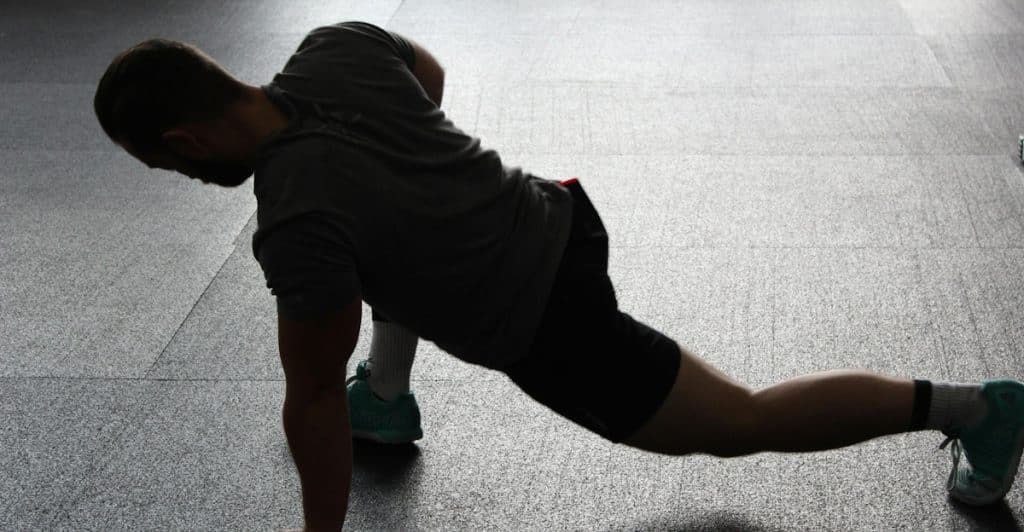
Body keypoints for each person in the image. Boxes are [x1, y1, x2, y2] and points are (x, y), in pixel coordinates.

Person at [94, 20, 1024, 531]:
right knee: (384, 246)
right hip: (561, 212)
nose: (182, 177)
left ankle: (977, 409)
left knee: (743, 424)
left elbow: (306, 400)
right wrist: (411, 178)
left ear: (183, 141)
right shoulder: (335, 48)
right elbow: (428, 73)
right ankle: (389, 392)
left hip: (547, 321)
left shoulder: (295, 224)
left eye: (168, 167)